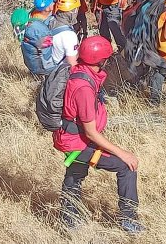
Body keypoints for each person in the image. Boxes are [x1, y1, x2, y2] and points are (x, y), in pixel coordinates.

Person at [53, 36, 143, 234]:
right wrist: (123, 152)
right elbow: (91, 133)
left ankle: (69, 220)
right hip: (78, 142)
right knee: (126, 167)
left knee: (75, 175)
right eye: (107, 58)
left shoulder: (80, 71)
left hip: (70, 138)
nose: (109, 61)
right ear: (100, 60)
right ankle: (129, 220)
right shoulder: (84, 87)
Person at [50, 0, 82, 67]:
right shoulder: (69, 35)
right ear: (74, 11)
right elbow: (72, 63)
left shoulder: (52, 21)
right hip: (62, 72)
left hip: (52, 66)